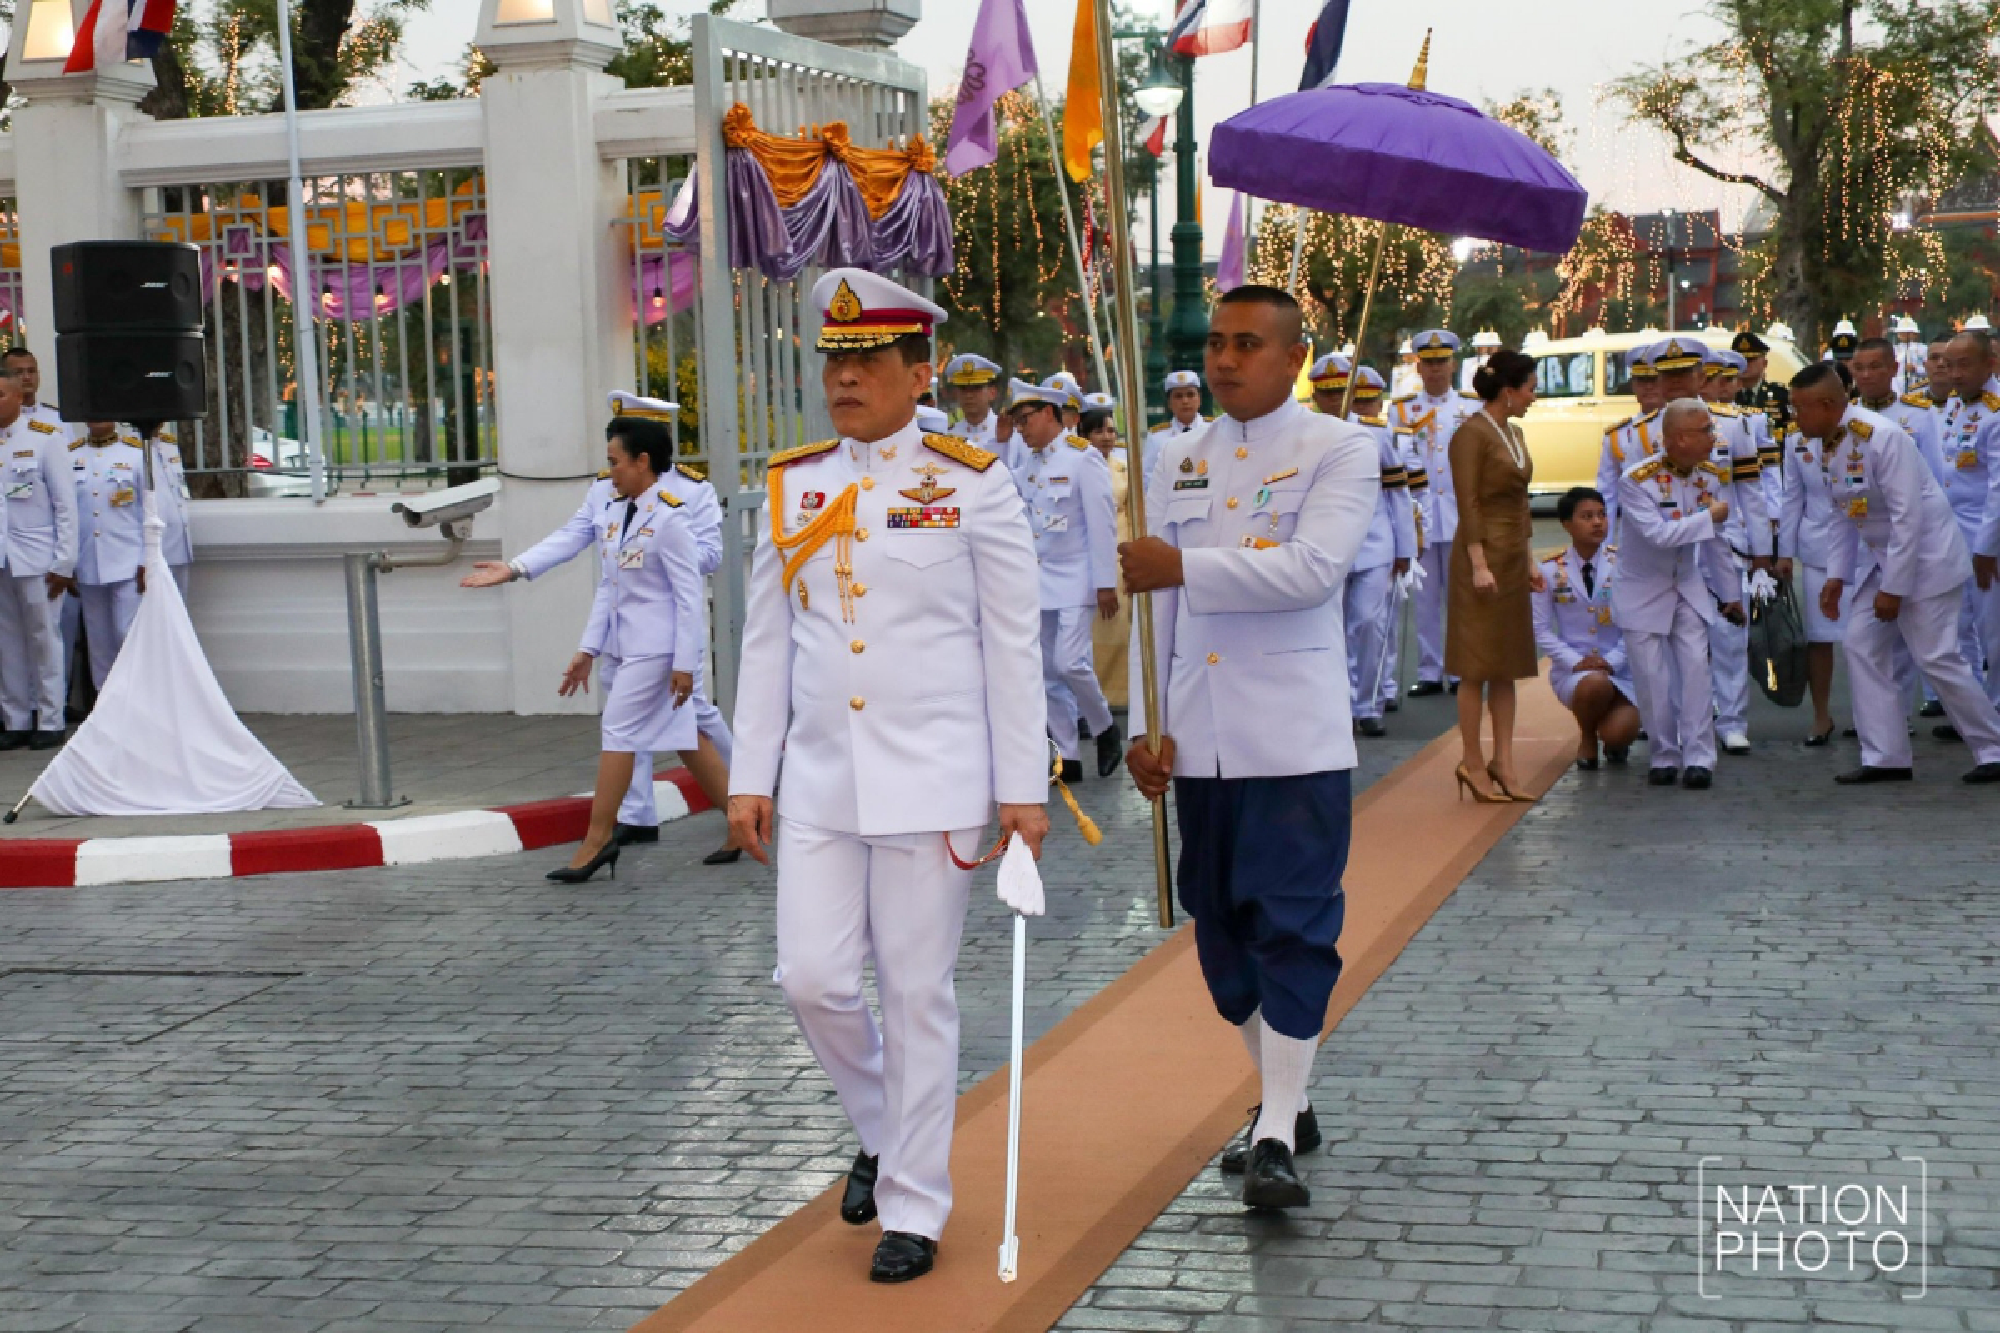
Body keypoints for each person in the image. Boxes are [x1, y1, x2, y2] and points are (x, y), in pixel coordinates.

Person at [727, 268, 1046, 1284]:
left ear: (920, 374)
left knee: (914, 992)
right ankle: (881, 1125)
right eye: (835, 359)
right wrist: (749, 771)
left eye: (867, 360)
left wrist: (1021, 783)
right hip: (821, 779)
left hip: (933, 777)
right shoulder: (794, 482)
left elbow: (1010, 640)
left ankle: (913, 1202)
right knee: (812, 979)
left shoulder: (970, 481)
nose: (845, 377)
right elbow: (767, 640)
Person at [1121, 285, 1377, 1211]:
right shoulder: (1179, 457)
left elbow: (1312, 571)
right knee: (1221, 933)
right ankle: (1287, 1096)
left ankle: (1272, 1131)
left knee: (1294, 925)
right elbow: (1161, 605)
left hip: (1291, 736)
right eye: (1217, 343)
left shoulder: (1340, 448)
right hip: (1200, 737)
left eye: (1247, 344)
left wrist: (1181, 565)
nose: (1225, 359)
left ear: (1294, 356)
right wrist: (1147, 725)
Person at [461, 393, 740, 862]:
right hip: (622, 631)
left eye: (619, 451)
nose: (611, 466)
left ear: (648, 449)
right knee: (672, 733)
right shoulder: (609, 494)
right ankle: (641, 815)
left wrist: (663, 543)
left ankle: (741, 799)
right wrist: (517, 567)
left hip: (667, 635)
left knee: (671, 723)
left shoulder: (690, 494)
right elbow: (577, 541)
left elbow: (705, 561)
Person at [1786, 364, 2000, 784]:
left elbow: (1908, 517)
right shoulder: (1827, 443)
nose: (1795, 417)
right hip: (1885, 563)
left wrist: (1895, 590)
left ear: (1828, 405)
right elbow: (1843, 515)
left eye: (1799, 408)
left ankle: (1992, 747)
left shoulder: (1880, 437)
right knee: (1861, 644)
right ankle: (1886, 756)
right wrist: (1835, 578)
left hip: (1927, 561)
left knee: (1938, 658)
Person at [544, 419, 706, 882]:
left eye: (616, 462)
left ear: (643, 462)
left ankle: (596, 841)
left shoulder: (671, 519)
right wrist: (587, 649)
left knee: (617, 732)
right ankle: (740, 819)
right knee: (687, 741)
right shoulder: (617, 514)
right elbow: (609, 589)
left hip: (655, 650)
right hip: (629, 646)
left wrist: (684, 664)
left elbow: (689, 595)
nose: (610, 472)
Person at [1613, 399, 1744, 790]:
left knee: (1696, 672)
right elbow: (1658, 536)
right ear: (1678, 438)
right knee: (1652, 679)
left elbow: (1717, 544)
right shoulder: (1636, 480)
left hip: (1686, 586)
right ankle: (1664, 755)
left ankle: (1700, 757)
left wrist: (1730, 593)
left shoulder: (1709, 475)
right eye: (1705, 430)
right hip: (1642, 590)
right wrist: (1708, 518)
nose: (1713, 437)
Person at [1006, 377, 1121, 779]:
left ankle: (1106, 726)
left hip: (1077, 577)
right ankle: (1067, 755)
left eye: (1026, 419)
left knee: (1071, 663)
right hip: (1040, 581)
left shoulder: (1082, 458)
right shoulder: (1028, 467)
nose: (1021, 428)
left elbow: (1101, 524)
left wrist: (1105, 583)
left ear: (1051, 415)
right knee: (1047, 671)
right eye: (1016, 421)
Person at [1446, 348, 1542, 802]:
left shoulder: (1514, 432)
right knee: (1475, 665)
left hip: (1511, 555)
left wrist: (1530, 558)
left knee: (1507, 664)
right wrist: (1479, 564)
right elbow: (1469, 504)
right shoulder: (1471, 434)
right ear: (1509, 391)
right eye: (1530, 388)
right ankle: (1471, 758)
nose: (1534, 396)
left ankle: (1503, 759)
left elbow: (1521, 502)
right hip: (1478, 556)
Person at [1317, 359, 1414, 737]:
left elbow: (1398, 491)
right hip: (1327, 547)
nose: (1332, 400)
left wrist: (1405, 546)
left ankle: (1368, 704)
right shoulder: (1305, 435)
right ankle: (1336, 704)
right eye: (1325, 393)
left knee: (1369, 624)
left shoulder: (1375, 434)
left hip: (1375, 545)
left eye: (1339, 392)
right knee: (1330, 630)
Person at [1392, 329, 1480, 697]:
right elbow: (1398, 459)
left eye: (1441, 362)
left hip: (1460, 515)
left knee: (1461, 598)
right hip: (1421, 516)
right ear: (1419, 366)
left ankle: (1461, 669)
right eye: (1428, 363)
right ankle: (1429, 670)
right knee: (1425, 599)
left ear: (1453, 363)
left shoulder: (1472, 408)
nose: (1435, 370)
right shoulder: (1403, 410)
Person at [1535, 487, 1639, 769]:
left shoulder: (1625, 565)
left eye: (1602, 515)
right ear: (1567, 524)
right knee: (1594, 684)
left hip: (1622, 669)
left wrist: (1612, 661)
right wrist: (1578, 662)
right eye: (1587, 516)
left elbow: (1635, 622)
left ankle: (1612, 737)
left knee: (1618, 735)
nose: (1597, 522)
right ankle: (1588, 737)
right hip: (1576, 672)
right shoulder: (1549, 570)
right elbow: (1541, 630)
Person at [0, 367, 76, 749]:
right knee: (7, 641)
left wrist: (64, 562)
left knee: (44, 638)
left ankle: (50, 717)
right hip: (2, 561)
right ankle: (14, 718)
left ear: (17, 398)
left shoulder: (45, 441)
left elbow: (66, 506)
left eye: (0, 395)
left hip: (38, 559)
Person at [1935, 330, 2000, 711]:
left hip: (1986, 536)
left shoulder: (1995, 411)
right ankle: (1974, 708)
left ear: (1989, 363)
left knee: (1993, 630)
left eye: (1964, 364)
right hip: (1953, 532)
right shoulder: (1956, 405)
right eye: (1948, 364)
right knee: (1960, 626)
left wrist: (1986, 549)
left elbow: (1997, 488)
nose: (1954, 374)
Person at [71, 421, 148, 690]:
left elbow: (150, 512)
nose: (97, 418)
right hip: (88, 562)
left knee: (128, 638)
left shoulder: (135, 453)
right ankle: (106, 711)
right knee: (98, 645)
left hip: (128, 561)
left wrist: (146, 560)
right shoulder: (72, 455)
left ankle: (137, 705)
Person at [1084, 405, 1134, 709]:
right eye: (1099, 430)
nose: (1107, 437)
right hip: (1087, 550)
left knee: (1120, 621)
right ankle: (1093, 695)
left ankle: (1123, 693)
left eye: (1111, 430)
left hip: (1120, 549)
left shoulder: (1125, 468)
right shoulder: (1077, 466)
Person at [1597, 342, 1667, 533]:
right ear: (1633, 385)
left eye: (1654, 380)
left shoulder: (1683, 424)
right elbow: (1607, 494)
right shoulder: (1617, 435)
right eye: (1642, 381)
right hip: (1637, 527)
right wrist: (1606, 546)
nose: (1649, 387)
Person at [147, 425, 195, 599]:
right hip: (154, 545)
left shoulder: (169, 446)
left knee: (179, 608)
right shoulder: (130, 449)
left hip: (179, 541)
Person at [943, 353, 1002, 448]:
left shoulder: (1010, 434)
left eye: (976, 388)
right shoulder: (949, 436)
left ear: (992, 393)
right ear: (956, 394)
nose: (968, 395)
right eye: (963, 388)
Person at [1892, 315, 1927, 393]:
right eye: (1902, 333)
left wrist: (1916, 369)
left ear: (1915, 334)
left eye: (1908, 333)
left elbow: (1930, 370)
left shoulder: (1923, 349)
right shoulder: (1893, 350)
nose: (1904, 335)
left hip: (1918, 388)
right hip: (1897, 388)